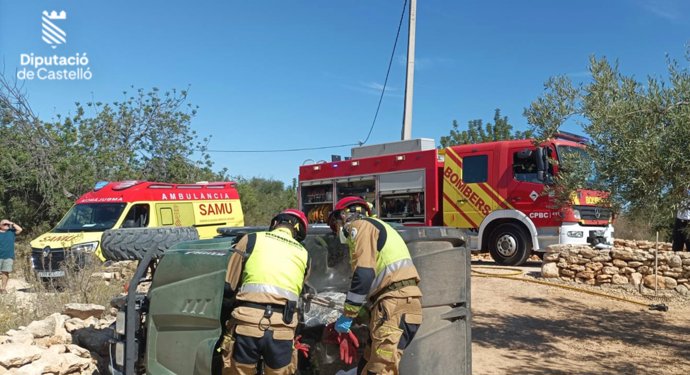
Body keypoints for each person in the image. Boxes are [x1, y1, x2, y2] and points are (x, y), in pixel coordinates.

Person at [327, 196, 423, 375]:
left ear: (344, 216)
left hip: (393, 304)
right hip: (395, 304)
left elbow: (364, 274)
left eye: (336, 226)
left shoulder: (360, 226)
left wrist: (348, 315)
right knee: (367, 365)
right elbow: (379, 276)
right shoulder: (381, 227)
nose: (338, 232)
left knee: (380, 370)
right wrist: (363, 311)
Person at [221, 209, 311, 375]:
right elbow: (298, 291)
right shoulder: (304, 254)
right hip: (282, 329)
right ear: (299, 232)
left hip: (247, 324)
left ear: (275, 223)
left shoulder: (251, 239)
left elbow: (229, 286)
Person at [0, 218, 23, 294]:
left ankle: (3, 288)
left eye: (7, 224)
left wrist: (12, 223)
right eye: (4, 224)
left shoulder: (11, 232)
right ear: (0, 226)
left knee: (5, 273)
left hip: (8, 256)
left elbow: (20, 230)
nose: (7, 225)